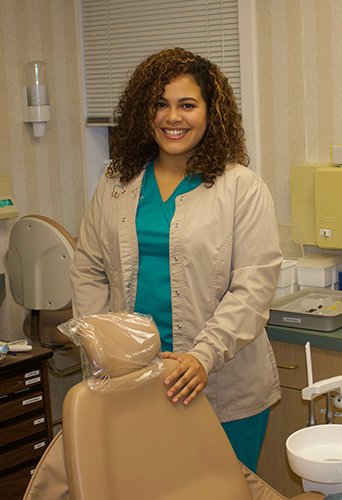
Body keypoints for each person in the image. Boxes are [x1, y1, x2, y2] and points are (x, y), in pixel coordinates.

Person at [69, 47, 282, 472]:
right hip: (132, 382)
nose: (173, 117)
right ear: (144, 113)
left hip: (221, 382)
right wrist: (102, 351)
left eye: (187, 105)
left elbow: (253, 287)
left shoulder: (241, 188)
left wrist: (203, 356)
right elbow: (89, 267)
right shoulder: (116, 182)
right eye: (160, 104)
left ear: (211, 112)